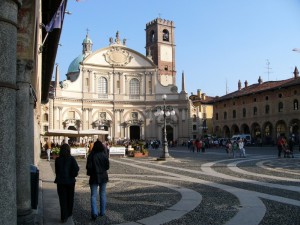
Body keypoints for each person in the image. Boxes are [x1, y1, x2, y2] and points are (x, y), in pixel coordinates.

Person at [54, 144, 79, 223]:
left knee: (62, 199)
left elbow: (56, 171)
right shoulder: (71, 159)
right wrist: (73, 174)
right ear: (69, 150)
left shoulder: (57, 159)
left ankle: (63, 216)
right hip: (70, 181)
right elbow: (76, 168)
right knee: (70, 198)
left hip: (61, 181)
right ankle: (69, 213)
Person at [86, 140, 110, 221]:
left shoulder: (91, 155)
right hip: (103, 176)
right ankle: (102, 212)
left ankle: (94, 213)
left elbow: (88, 167)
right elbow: (107, 167)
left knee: (93, 195)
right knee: (102, 194)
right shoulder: (104, 155)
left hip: (94, 177)